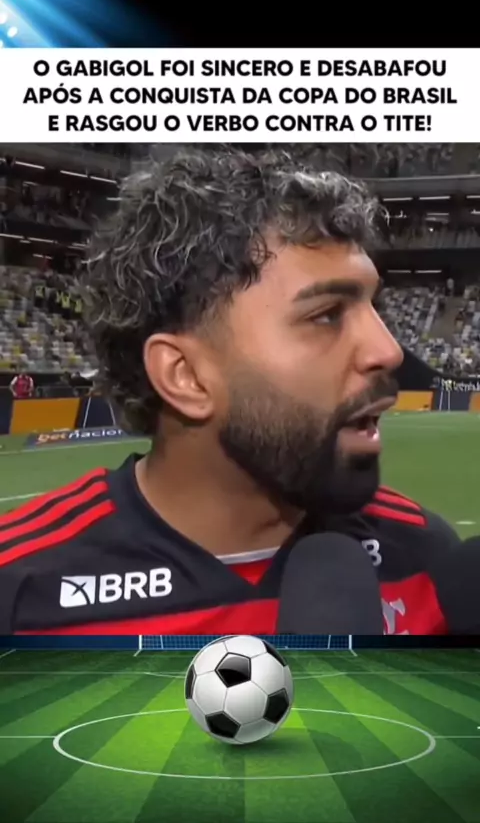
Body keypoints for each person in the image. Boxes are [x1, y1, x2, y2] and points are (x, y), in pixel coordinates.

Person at [0, 147, 460, 635]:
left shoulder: (428, 559)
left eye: (374, 307)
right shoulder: (20, 592)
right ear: (185, 376)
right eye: (326, 315)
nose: (389, 351)